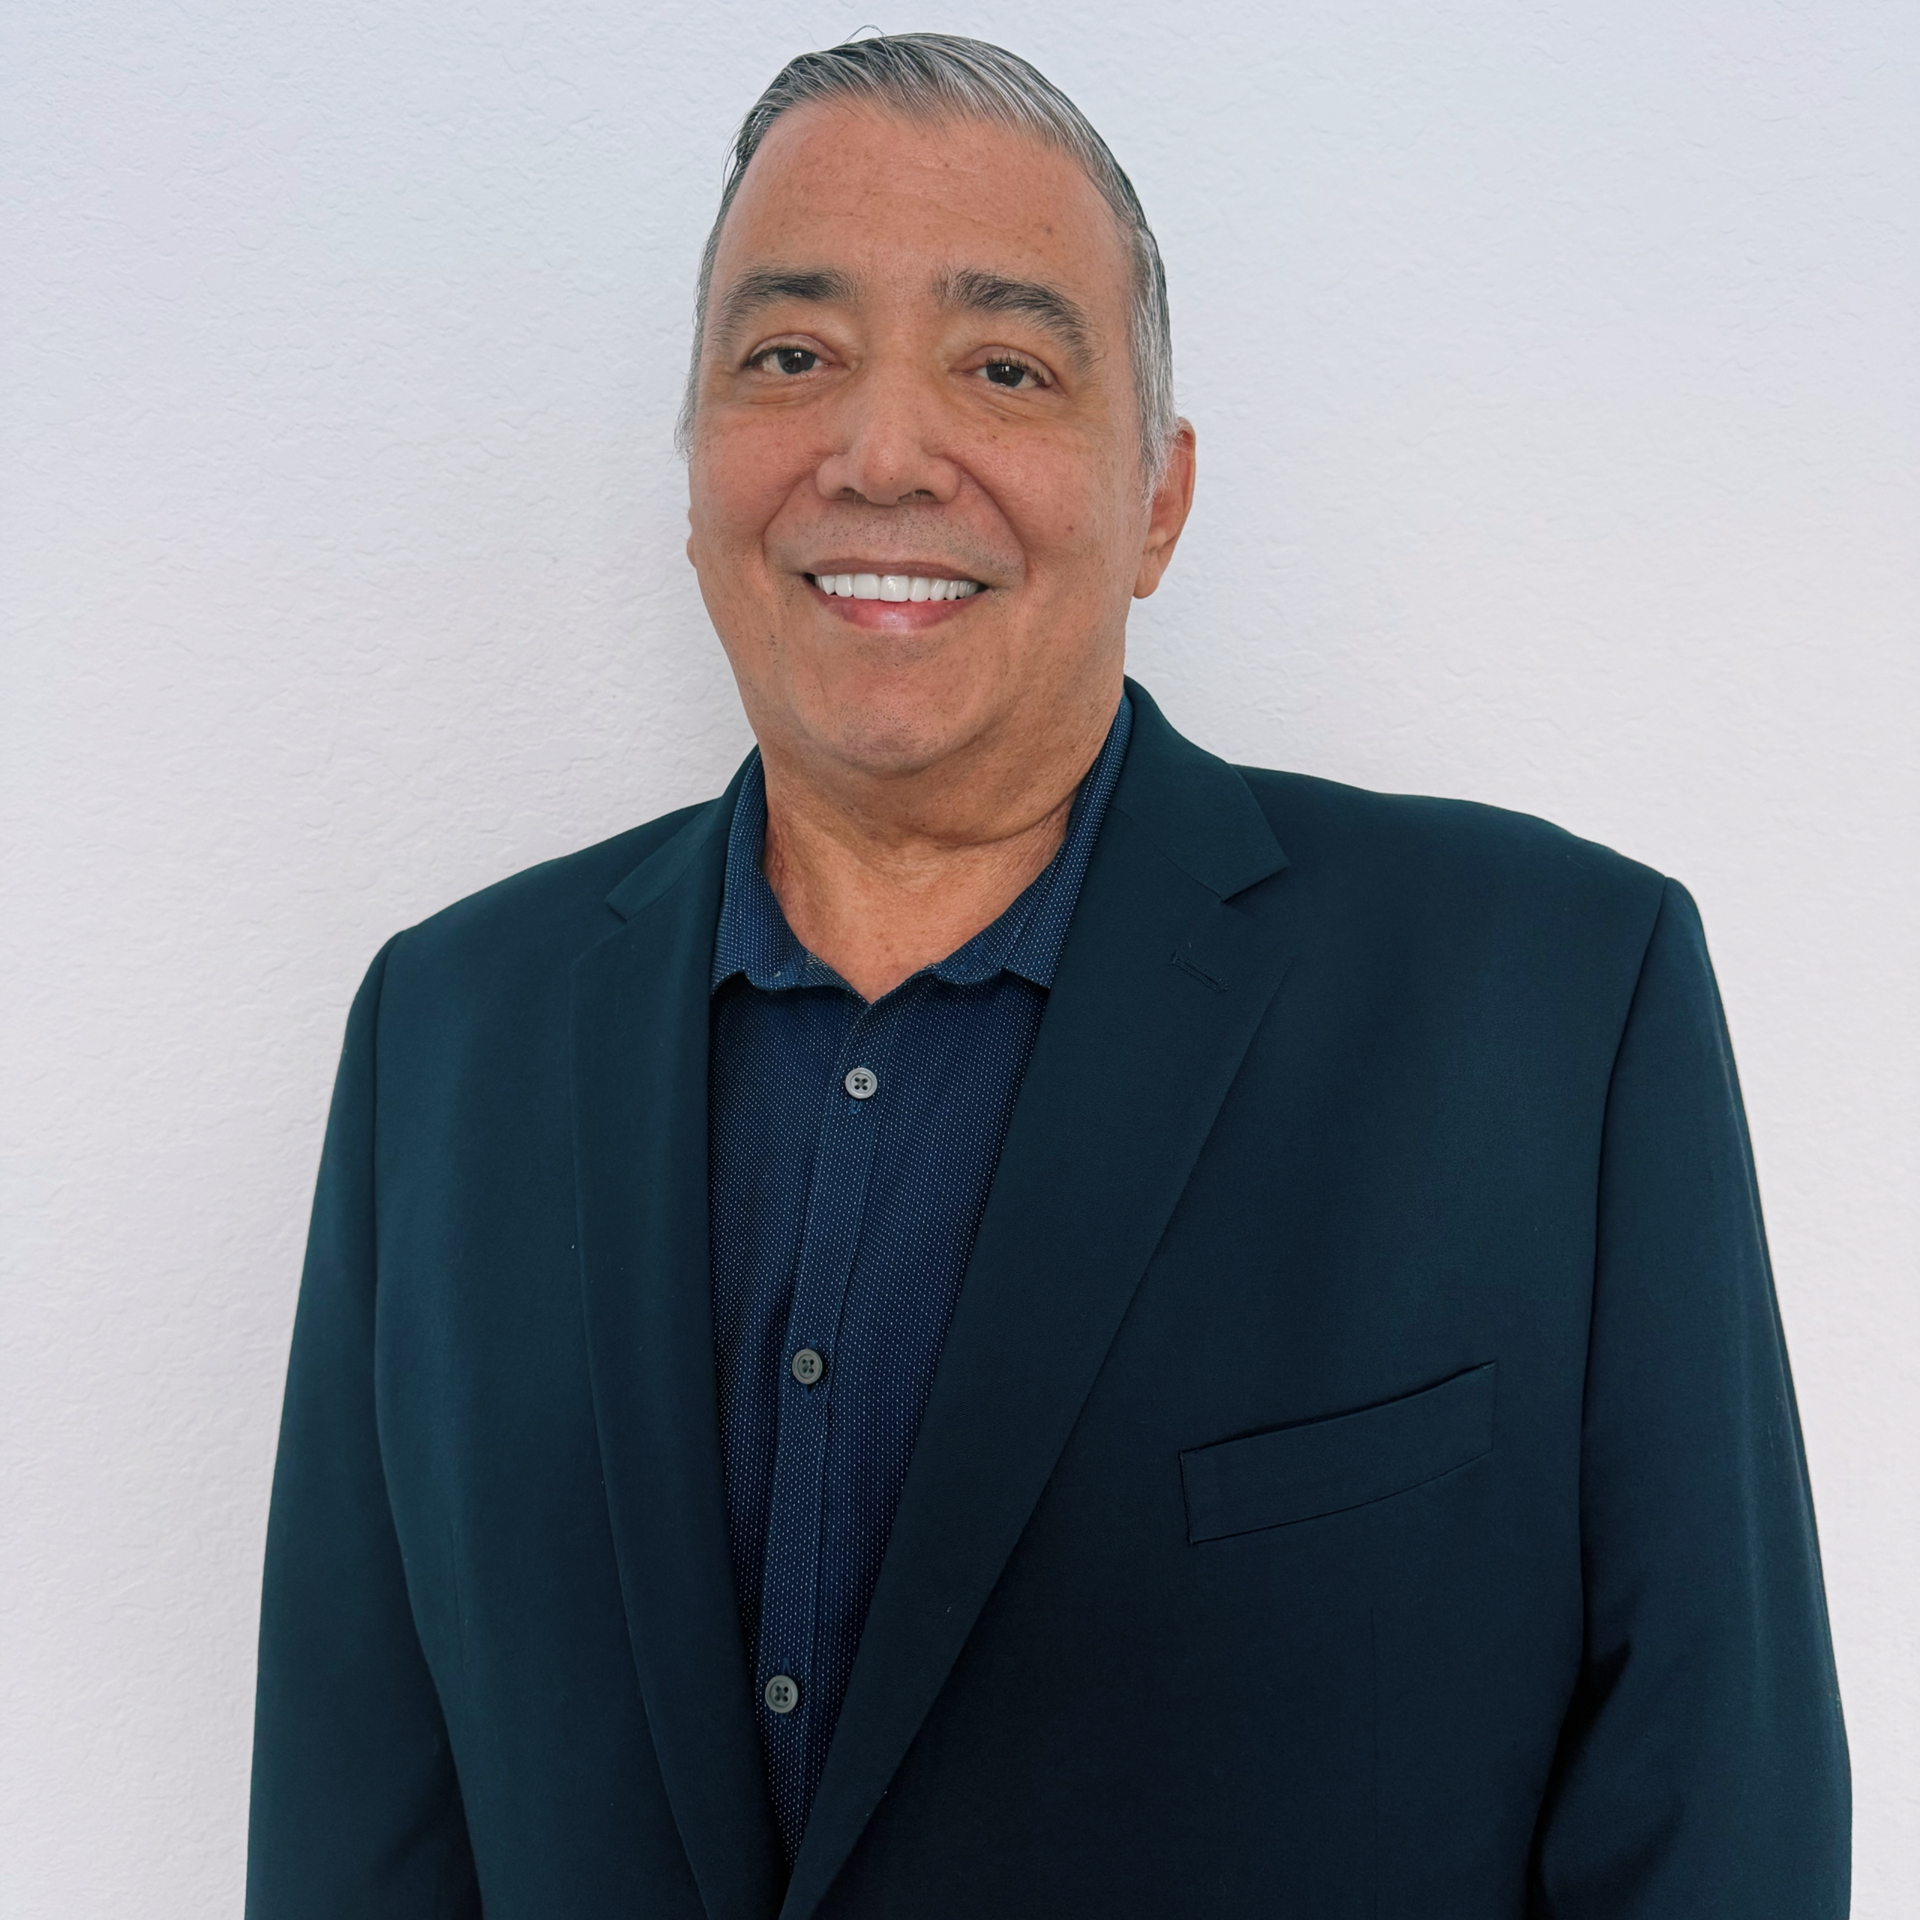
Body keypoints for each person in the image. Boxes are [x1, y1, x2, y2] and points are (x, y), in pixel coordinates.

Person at [246, 33, 1849, 1919]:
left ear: (1158, 499)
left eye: (1003, 366)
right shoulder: (445, 1036)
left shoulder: (1556, 999)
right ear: (694, 472)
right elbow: (361, 1829)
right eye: (790, 358)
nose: (880, 451)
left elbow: (1713, 1820)